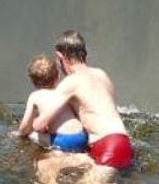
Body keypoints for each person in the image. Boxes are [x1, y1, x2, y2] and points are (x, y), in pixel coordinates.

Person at [32, 30, 134, 172]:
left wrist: (33, 125)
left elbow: (41, 124)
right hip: (125, 145)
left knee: (43, 167)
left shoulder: (71, 82)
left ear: (60, 56)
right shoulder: (101, 74)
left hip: (107, 148)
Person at [14, 54, 88, 153]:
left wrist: (20, 134)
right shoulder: (64, 92)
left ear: (33, 81)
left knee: (31, 134)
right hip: (81, 136)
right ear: (57, 76)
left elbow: (25, 126)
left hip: (64, 141)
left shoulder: (35, 96)